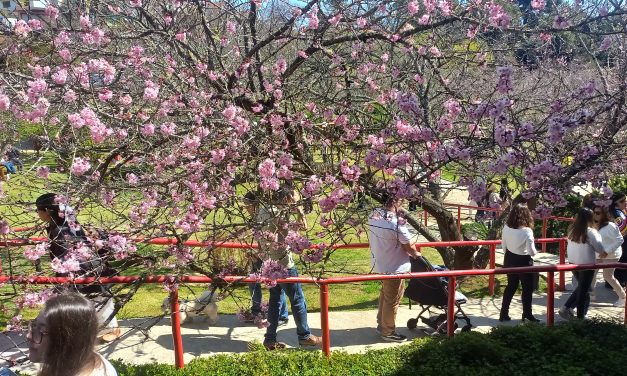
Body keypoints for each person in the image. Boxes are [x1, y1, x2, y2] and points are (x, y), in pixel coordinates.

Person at [35, 193, 121, 342]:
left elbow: (65, 254)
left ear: (48, 211)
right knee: (93, 297)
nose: (38, 213)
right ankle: (102, 329)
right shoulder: (64, 224)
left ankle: (110, 329)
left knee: (92, 297)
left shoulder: (60, 229)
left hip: (82, 266)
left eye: (39, 210)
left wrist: (62, 276)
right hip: (83, 265)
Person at [258, 186, 321, 350]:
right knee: (297, 299)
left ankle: (270, 339)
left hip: (269, 263)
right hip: (284, 264)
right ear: (287, 199)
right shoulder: (280, 214)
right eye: (295, 198)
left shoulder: (263, 209)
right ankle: (304, 336)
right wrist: (299, 211)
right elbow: (302, 228)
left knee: (275, 301)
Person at [368, 192, 419, 342]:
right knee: (392, 299)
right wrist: (417, 255)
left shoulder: (373, 214)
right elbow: (409, 246)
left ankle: (382, 324)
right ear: (396, 201)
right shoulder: (395, 222)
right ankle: (388, 330)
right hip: (395, 266)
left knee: (385, 294)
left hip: (381, 262)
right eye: (401, 201)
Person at [27, 292, 117, 376]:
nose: (29, 336)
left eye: (43, 331)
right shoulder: (84, 360)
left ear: (69, 341)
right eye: (34, 325)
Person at [242, 191, 289, 326]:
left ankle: (282, 315)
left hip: (271, 256)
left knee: (275, 284)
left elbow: (271, 235)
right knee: (253, 281)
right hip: (260, 254)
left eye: (247, 205)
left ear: (255, 204)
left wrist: (260, 251)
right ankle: (257, 311)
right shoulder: (255, 216)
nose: (246, 208)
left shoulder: (265, 214)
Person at [558, 208, 607, 320]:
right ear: (590, 218)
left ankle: (569, 309)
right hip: (586, 264)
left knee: (583, 288)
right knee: (584, 290)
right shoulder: (590, 232)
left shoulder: (571, 229)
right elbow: (600, 249)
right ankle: (579, 316)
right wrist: (604, 254)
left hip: (573, 262)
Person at [499, 203, 540, 322]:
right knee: (527, 288)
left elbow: (503, 246)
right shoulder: (527, 231)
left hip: (509, 258)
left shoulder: (506, 227)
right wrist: (535, 253)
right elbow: (532, 252)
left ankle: (503, 313)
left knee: (511, 286)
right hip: (523, 260)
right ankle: (527, 313)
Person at [589, 203, 625, 307]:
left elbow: (620, 240)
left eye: (598, 213)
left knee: (608, 276)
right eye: (594, 213)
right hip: (599, 254)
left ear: (604, 214)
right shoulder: (594, 225)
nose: (595, 215)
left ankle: (623, 297)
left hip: (612, 255)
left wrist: (607, 251)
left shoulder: (611, 226)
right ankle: (590, 295)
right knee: (592, 274)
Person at [609, 192, 627, 287]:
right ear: (615, 203)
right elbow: (621, 229)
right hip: (621, 242)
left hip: (620, 242)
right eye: (622, 201)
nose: (625, 203)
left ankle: (616, 283)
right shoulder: (617, 213)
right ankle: (618, 283)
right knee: (621, 263)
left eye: (625, 200)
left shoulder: (619, 212)